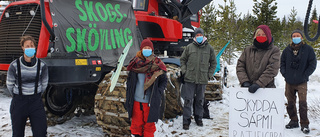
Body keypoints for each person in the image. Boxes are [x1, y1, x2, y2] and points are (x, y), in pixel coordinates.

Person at [6, 35, 49, 137]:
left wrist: (35, 94)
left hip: (36, 102)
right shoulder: (14, 65)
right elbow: (10, 84)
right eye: (27, 46)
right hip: (19, 102)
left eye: (31, 45)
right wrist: (19, 95)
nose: (29, 48)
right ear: (22, 48)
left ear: (35, 47)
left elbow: (44, 84)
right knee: (17, 133)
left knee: (41, 132)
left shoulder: (42, 66)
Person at [125, 39, 167, 137]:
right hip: (136, 100)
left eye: (149, 48)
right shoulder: (135, 64)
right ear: (141, 49)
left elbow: (164, 81)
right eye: (145, 48)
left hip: (150, 101)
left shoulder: (157, 64)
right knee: (136, 124)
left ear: (152, 50)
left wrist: (159, 91)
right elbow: (130, 80)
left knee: (149, 125)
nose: (147, 50)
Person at [280, 29, 317, 134]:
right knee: (290, 102)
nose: (295, 37)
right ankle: (293, 120)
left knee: (302, 103)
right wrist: (284, 74)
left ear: (301, 37)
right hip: (289, 81)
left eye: (298, 35)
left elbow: (312, 63)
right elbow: (282, 62)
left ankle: (304, 124)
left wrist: (305, 75)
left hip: (302, 81)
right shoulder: (287, 50)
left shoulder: (308, 49)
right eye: (294, 36)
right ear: (291, 38)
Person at [180, 28, 217, 130]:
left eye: (200, 35)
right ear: (194, 37)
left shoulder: (209, 48)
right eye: (197, 35)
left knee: (200, 100)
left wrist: (209, 74)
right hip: (190, 78)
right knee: (188, 100)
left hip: (202, 79)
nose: (199, 37)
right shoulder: (189, 47)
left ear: (203, 36)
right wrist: (184, 71)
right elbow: (183, 60)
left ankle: (198, 118)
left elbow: (213, 63)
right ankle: (186, 120)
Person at [236, 25, 280, 93]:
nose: (261, 36)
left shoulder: (274, 51)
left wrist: (259, 84)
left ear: (268, 36)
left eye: (263, 34)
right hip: (247, 90)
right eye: (258, 34)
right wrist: (244, 81)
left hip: (266, 90)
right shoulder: (248, 50)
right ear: (255, 36)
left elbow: (272, 69)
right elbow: (240, 65)